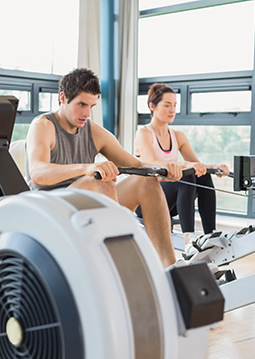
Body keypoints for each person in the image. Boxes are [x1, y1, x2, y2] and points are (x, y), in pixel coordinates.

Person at [26, 68, 184, 268]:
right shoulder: (43, 125)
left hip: (85, 204)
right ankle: (121, 266)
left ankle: (170, 267)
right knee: (100, 181)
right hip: (52, 210)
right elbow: (38, 173)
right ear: (63, 98)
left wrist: (166, 168)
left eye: (91, 105)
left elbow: (135, 164)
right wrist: (87, 168)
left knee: (146, 180)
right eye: (81, 104)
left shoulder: (93, 131)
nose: (86, 113)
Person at [135, 83, 230, 251]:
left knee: (203, 175)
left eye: (174, 105)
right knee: (186, 174)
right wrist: (183, 165)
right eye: (167, 105)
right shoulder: (144, 133)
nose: (172, 110)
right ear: (152, 106)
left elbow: (195, 165)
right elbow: (151, 163)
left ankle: (210, 234)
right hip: (146, 201)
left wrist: (214, 167)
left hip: (169, 203)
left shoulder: (178, 136)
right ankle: (189, 238)